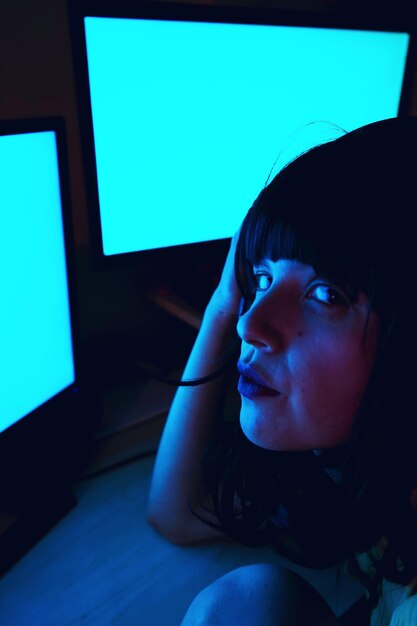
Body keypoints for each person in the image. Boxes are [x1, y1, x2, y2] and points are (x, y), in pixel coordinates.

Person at [146, 117, 417, 625]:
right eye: (261, 277)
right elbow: (178, 512)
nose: (250, 324)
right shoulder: (369, 468)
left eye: (326, 294)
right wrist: (221, 307)